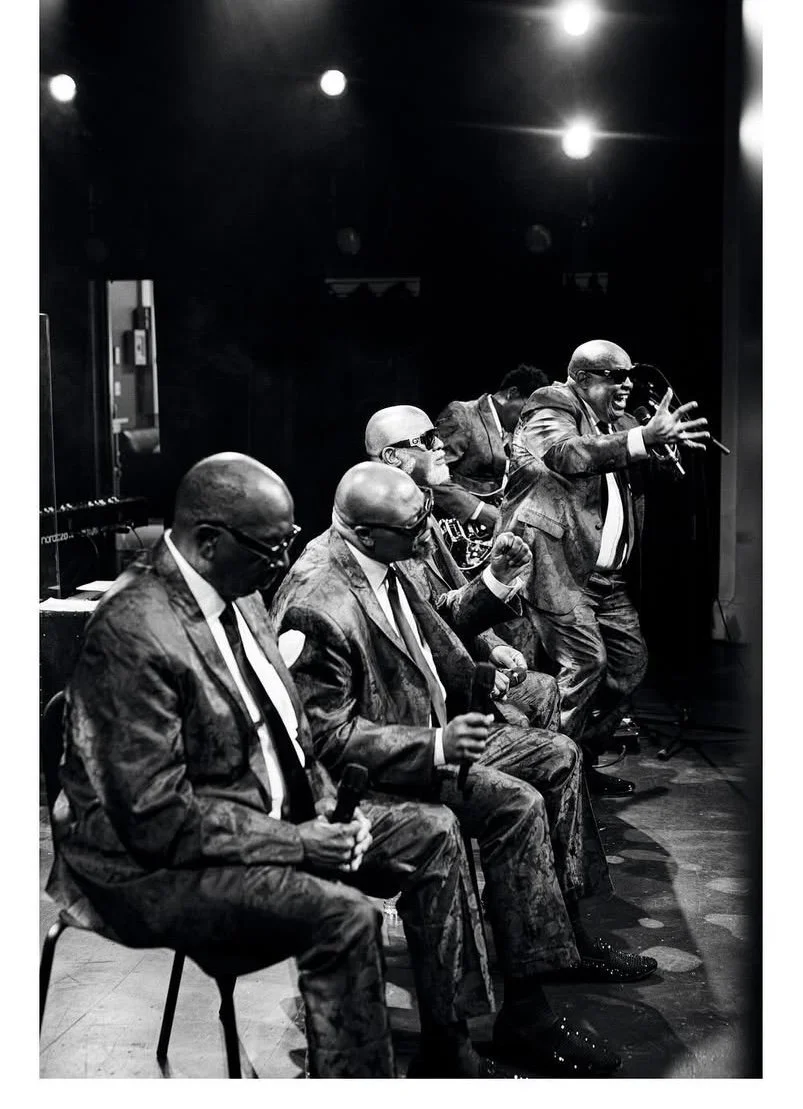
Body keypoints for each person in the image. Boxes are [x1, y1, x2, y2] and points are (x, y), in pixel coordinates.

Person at [45, 452, 509, 1078]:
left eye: (288, 542)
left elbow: (295, 735)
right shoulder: (132, 631)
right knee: (343, 920)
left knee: (432, 831)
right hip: (147, 864)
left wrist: (329, 810)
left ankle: (451, 1054)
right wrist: (297, 841)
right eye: (271, 547)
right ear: (207, 540)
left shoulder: (241, 591)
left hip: (260, 815)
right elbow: (155, 818)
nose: (285, 561)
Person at [272, 462, 659, 1079]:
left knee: (558, 755)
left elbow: (432, 624)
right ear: (366, 534)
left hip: (435, 734)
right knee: (514, 806)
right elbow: (322, 737)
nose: (428, 528)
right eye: (415, 523)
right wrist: (433, 744)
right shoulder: (316, 601)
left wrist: (495, 587)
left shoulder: (383, 553)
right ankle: (520, 1017)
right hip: (375, 772)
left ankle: (563, 940)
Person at [498, 339, 710, 796]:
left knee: (630, 667)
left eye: (629, 376)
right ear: (582, 378)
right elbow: (564, 454)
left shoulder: (622, 423)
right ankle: (547, 770)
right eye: (616, 376)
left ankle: (579, 760)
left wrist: (669, 446)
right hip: (556, 566)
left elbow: (657, 472)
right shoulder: (551, 402)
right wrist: (642, 439)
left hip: (606, 579)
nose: (627, 384)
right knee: (586, 663)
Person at [365, 402, 561, 732]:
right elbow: (420, 634)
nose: (441, 445)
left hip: (455, 664)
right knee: (555, 747)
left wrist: (494, 646)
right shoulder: (384, 530)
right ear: (392, 458)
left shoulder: (423, 512)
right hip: (422, 702)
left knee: (545, 690)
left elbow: (446, 602)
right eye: (428, 440)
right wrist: (477, 673)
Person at [432, 363, 549, 532]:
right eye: (527, 412)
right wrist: (478, 510)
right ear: (512, 393)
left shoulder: (511, 432)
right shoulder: (462, 414)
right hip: (452, 528)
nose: (528, 421)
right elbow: (430, 476)